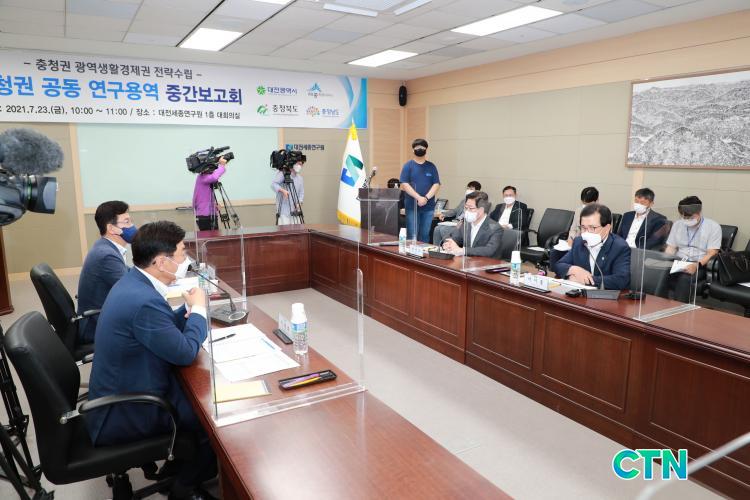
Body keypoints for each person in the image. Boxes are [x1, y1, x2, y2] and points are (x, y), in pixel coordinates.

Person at [86, 221, 217, 500]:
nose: (186, 260)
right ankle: (186, 485)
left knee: (197, 394)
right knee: (209, 414)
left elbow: (156, 325)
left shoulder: (134, 282)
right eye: (182, 254)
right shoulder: (143, 301)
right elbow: (185, 352)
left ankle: (178, 465)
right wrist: (199, 311)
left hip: (123, 388)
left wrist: (187, 309)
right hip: (128, 409)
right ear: (161, 261)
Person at [76, 201, 136, 344]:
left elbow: (129, 274)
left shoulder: (104, 246)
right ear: (111, 228)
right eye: (126, 222)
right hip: (96, 326)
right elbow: (132, 291)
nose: (132, 226)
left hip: (104, 315)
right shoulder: (106, 255)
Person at [553, 203, 630, 290]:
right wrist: (574, 270)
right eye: (583, 228)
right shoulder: (579, 242)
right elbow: (559, 265)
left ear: (607, 228)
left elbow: (621, 280)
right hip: (579, 294)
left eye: (592, 227)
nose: (586, 233)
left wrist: (586, 280)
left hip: (604, 296)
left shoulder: (619, 247)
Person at [664, 196, 721, 303]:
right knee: (659, 273)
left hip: (700, 264)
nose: (686, 219)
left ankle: (679, 308)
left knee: (684, 278)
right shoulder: (678, 224)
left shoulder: (713, 227)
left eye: (689, 216)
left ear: (698, 212)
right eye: (683, 216)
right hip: (678, 262)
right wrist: (664, 260)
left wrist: (696, 265)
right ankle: (659, 305)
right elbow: (671, 247)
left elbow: (712, 253)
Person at [399, 138, 441, 242]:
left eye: (422, 147)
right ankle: (410, 253)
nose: (420, 149)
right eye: (417, 147)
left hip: (428, 206)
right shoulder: (408, 166)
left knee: (425, 235)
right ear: (413, 149)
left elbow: (436, 184)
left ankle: (423, 253)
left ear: (426, 149)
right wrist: (418, 198)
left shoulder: (431, 166)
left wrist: (425, 198)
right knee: (412, 235)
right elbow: (404, 184)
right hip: (412, 206)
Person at [442, 191, 503, 258]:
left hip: (487, 262)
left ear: (481, 210)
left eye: (471, 208)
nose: (467, 211)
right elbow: (454, 237)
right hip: (468, 261)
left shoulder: (495, 228)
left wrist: (463, 251)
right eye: (466, 208)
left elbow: (489, 250)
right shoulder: (466, 223)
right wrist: (448, 244)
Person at [432, 180, 481, 245]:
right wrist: (444, 214)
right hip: (455, 222)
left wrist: (463, 222)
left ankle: (448, 248)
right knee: (437, 228)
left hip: (464, 225)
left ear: (477, 191)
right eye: (468, 188)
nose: (468, 190)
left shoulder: (479, 203)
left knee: (444, 229)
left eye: (471, 189)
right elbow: (455, 211)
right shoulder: (464, 200)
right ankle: (436, 248)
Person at [192, 156, 228, 231]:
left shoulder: (202, 178)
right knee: (211, 237)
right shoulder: (202, 177)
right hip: (205, 216)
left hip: (208, 214)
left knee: (214, 236)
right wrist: (221, 165)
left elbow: (205, 196)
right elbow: (214, 177)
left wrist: (214, 206)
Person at [271, 159, 305, 225]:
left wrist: (299, 202)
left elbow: (301, 193)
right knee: (285, 230)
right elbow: (273, 184)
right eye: (298, 164)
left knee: (298, 230)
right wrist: (282, 190)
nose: (299, 166)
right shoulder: (283, 174)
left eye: (301, 164)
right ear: (293, 163)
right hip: (284, 211)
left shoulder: (300, 178)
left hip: (295, 211)